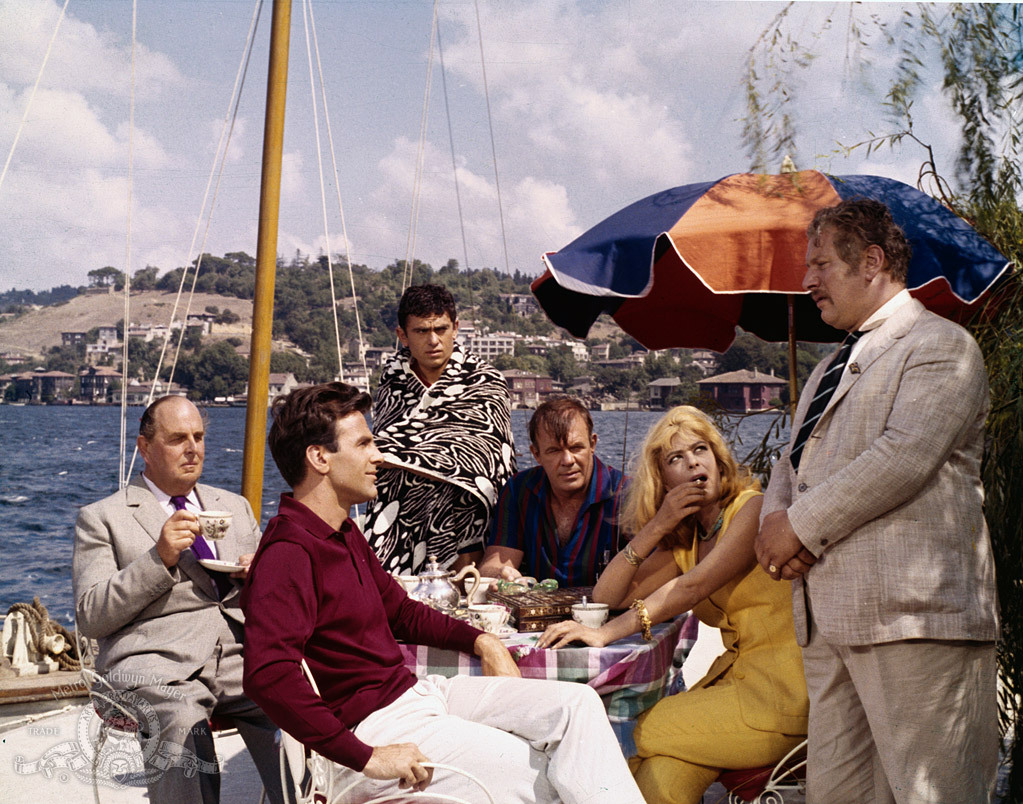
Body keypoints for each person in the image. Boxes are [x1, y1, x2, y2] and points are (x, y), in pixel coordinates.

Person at [241, 382, 644, 803]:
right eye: (363, 444)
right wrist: (366, 757)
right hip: (370, 731)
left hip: (413, 692)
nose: (378, 456)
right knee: (535, 772)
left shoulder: (342, 533)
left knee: (576, 706)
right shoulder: (288, 553)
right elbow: (267, 675)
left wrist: (483, 639)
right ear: (319, 457)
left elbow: (403, 613)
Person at [755, 199, 1000, 804]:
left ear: (872, 261)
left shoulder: (943, 347)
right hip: (829, 625)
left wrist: (798, 532)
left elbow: (901, 459)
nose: (807, 281)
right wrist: (770, 530)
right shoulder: (827, 368)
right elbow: (791, 466)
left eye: (820, 264)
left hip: (914, 624)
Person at [538, 405, 808, 804]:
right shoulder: (691, 540)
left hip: (782, 696)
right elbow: (606, 597)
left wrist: (605, 633)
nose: (693, 462)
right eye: (676, 459)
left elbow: (692, 587)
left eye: (700, 449)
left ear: (718, 458)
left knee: (637, 730)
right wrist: (657, 525)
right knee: (662, 781)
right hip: (736, 687)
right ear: (663, 480)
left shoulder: (752, 509)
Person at [72, 395, 283, 804]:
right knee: (181, 718)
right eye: (177, 439)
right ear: (145, 448)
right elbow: (90, 616)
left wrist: (262, 572)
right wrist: (159, 558)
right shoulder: (103, 517)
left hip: (240, 656)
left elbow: (274, 599)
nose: (193, 448)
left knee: (296, 700)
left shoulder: (234, 507)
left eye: (199, 437)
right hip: (154, 663)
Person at [362, 284, 516, 575]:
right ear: (402, 336)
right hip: (405, 518)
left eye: (441, 329)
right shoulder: (392, 380)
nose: (433, 340)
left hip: (468, 522)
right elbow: (383, 446)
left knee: (456, 490)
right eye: (421, 331)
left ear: (455, 328)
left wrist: (407, 458)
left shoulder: (486, 381)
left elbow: (483, 457)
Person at [479, 396, 626, 586]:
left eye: (576, 448)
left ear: (593, 444)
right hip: (537, 610)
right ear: (536, 454)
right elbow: (496, 562)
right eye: (554, 451)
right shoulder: (519, 489)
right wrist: (500, 574)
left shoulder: (627, 493)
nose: (567, 460)